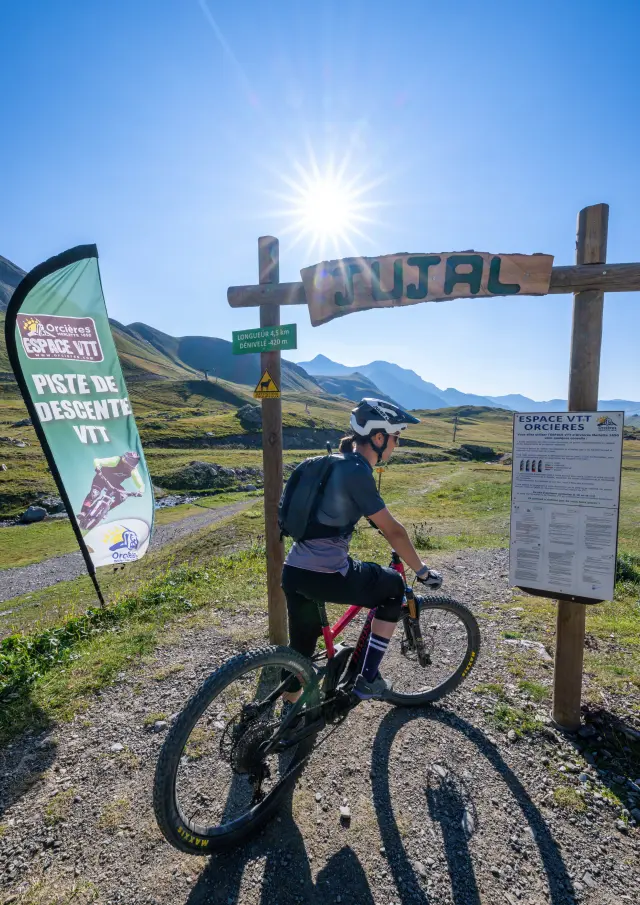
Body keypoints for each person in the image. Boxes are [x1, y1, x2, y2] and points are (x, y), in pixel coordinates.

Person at [281, 399, 442, 703]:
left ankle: (288, 715)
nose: (397, 445)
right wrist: (422, 571)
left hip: (293, 571)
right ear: (379, 438)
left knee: (300, 648)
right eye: (397, 438)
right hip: (327, 574)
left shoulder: (326, 463)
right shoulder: (356, 471)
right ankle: (366, 680)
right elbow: (393, 530)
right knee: (394, 587)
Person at [78, 451, 144, 522]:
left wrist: (141, 491)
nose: (131, 465)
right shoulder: (117, 460)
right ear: (125, 459)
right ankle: (84, 511)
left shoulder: (133, 470)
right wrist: (97, 468)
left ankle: (105, 510)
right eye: (131, 462)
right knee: (95, 493)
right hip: (101, 478)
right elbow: (97, 461)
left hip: (114, 484)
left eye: (134, 463)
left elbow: (140, 482)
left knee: (122, 497)